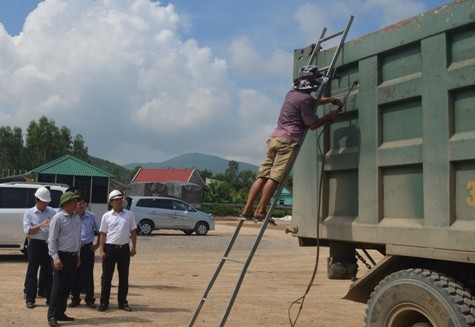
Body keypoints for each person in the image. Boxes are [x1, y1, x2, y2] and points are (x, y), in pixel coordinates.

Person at [241, 65, 342, 224]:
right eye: (316, 84)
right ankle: (260, 211)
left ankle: (247, 210)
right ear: (312, 84)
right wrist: (330, 116)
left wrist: (329, 99)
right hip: (288, 141)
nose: (317, 86)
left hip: (274, 138)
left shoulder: (292, 93)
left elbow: (313, 102)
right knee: (275, 177)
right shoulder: (306, 99)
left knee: (262, 175)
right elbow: (313, 124)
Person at [98, 190, 137, 312]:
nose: (119, 202)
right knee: (106, 277)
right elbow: (103, 234)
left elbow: (133, 232)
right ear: (111, 202)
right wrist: (101, 250)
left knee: (124, 277)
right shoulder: (106, 216)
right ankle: (104, 302)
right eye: (116, 200)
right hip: (110, 249)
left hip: (124, 249)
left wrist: (134, 247)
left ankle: (122, 302)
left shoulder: (129, 215)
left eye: (120, 200)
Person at [47, 191, 82, 327]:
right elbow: (52, 240)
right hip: (61, 256)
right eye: (74, 201)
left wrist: (78, 256)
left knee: (67, 286)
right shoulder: (58, 218)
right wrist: (55, 258)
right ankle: (52, 316)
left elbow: (78, 238)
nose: (76, 203)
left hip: (72, 257)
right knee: (58, 286)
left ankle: (61, 312)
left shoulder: (76, 218)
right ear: (66, 203)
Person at [23, 186, 56, 309]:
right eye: (43, 202)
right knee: (32, 272)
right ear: (37, 200)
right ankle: (30, 298)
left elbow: (55, 227)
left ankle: (49, 298)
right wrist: (42, 224)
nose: (45, 205)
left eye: (47, 202)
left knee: (48, 272)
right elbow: (28, 230)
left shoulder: (52, 212)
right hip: (35, 244)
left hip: (47, 244)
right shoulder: (29, 213)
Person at [69, 197, 100, 309]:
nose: (82, 205)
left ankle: (90, 299)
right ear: (75, 205)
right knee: (74, 275)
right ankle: (75, 299)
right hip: (74, 249)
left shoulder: (91, 216)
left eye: (83, 203)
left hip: (87, 249)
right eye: (79, 204)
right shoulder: (71, 216)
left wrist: (97, 245)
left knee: (88, 274)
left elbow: (101, 230)